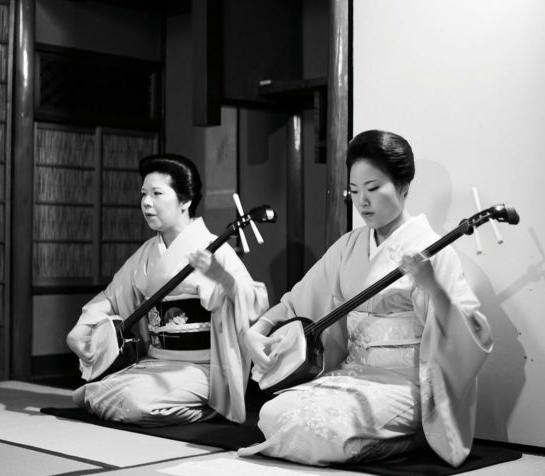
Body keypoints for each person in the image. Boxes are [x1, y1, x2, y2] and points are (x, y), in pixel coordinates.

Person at [238, 130, 492, 467]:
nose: (362, 202)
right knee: (274, 412)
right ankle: (379, 442)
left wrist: (432, 288)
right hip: (352, 375)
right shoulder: (349, 246)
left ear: (404, 186)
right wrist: (259, 328)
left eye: (373, 189)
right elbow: (300, 298)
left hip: (404, 384)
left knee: (324, 429)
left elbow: (472, 331)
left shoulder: (434, 249)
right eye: (354, 191)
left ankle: (412, 437)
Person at [66, 153, 269, 426]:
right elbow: (112, 297)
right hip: (156, 363)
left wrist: (222, 278)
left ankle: (208, 409)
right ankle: (163, 399)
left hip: (200, 368)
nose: (146, 202)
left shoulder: (213, 248)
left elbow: (255, 302)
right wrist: (82, 327)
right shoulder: (147, 253)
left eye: (157, 193)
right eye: (143, 194)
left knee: (131, 402)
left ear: (185, 201)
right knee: (88, 395)